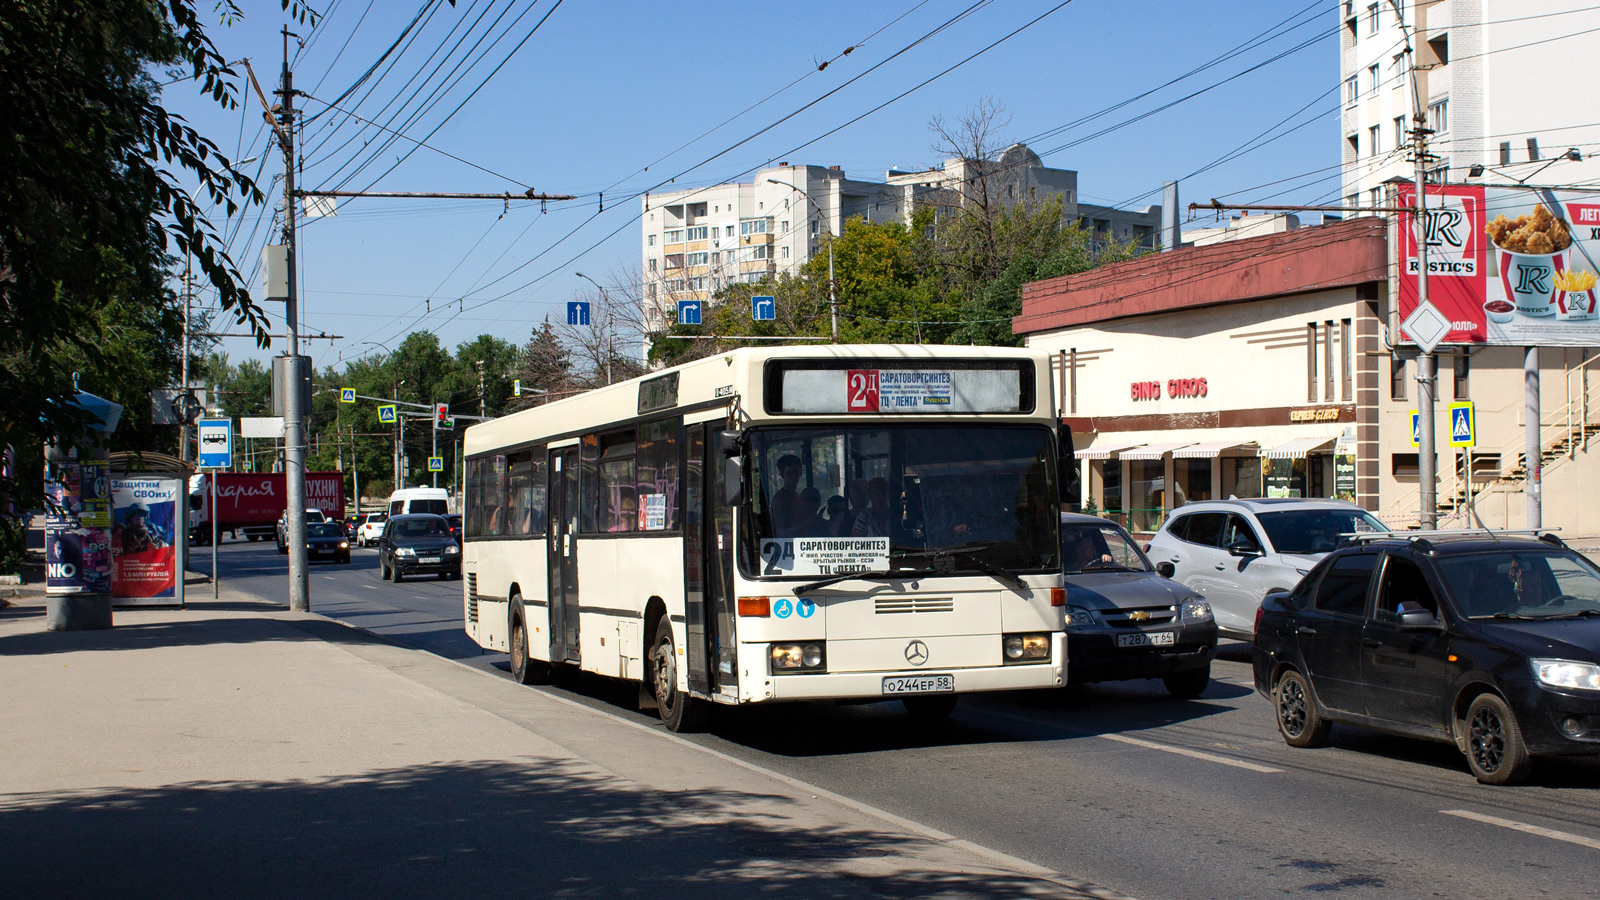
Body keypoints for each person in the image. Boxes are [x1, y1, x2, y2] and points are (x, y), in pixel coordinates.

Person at [768, 454, 809, 536]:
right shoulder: (779, 499)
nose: (793, 476)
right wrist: (806, 524)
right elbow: (780, 532)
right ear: (782, 475)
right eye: (789, 473)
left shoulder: (797, 497)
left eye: (796, 472)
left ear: (800, 473)